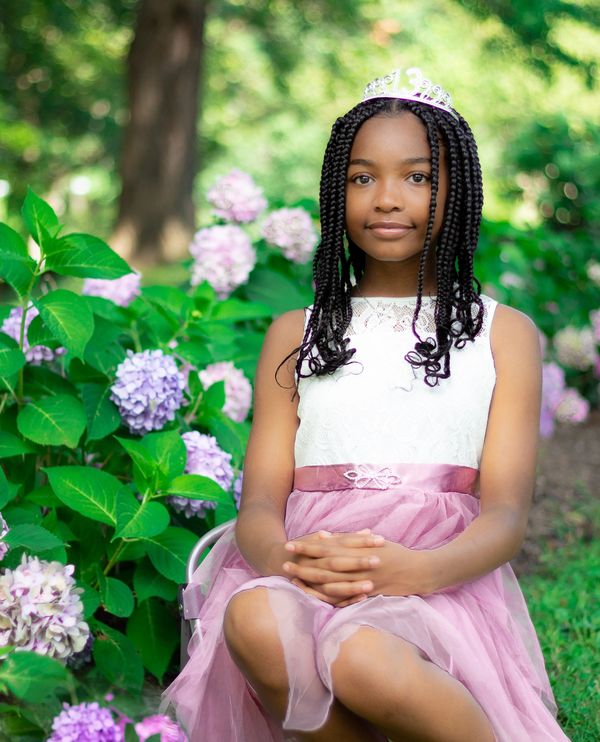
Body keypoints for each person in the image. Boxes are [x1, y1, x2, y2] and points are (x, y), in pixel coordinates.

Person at [162, 67, 569, 741]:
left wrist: (417, 571)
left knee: (364, 658)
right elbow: (261, 500)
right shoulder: (297, 333)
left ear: (458, 191)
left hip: (436, 586)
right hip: (307, 572)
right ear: (335, 192)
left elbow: (504, 515)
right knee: (253, 618)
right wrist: (290, 562)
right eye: (361, 177)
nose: (386, 198)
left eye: (417, 177)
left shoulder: (503, 334)